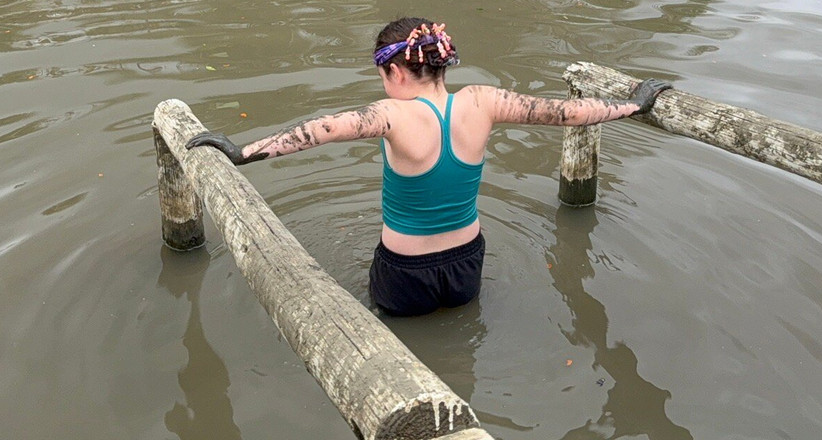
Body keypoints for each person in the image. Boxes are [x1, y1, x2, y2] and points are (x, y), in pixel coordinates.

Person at [186, 17, 672, 317]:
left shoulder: (392, 115)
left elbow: (322, 129)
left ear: (394, 71)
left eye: (381, 75)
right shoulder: (483, 100)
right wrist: (633, 105)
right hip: (467, 265)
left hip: (405, 272)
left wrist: (241, 152)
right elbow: (563, 113)